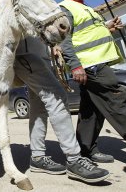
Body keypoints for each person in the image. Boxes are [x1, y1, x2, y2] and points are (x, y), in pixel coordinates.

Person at [59, 0, 126, 169]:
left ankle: (85, 150)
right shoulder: (65, 8)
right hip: (92, 66)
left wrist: (107, 27)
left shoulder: (85, 8)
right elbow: (64, 41)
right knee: (120, 105)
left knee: (91, 111)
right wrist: (75, 66)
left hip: (95, 64)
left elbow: (86, 34)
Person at [13, 37, 109, 183]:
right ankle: (74, 159)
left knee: (39, 108)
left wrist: (52, 44)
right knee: (57, 97)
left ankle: (37, 157)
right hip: (26, 54)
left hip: (39, 54)